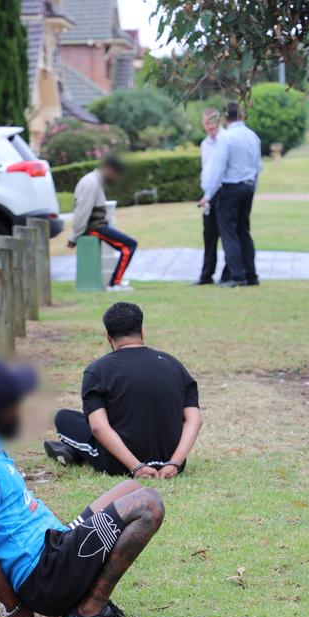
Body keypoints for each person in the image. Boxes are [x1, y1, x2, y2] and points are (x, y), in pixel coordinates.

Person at [0, 359, 164, 617]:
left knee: (131, 488)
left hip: (56, 547)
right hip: (45, 575)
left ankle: (84, 598)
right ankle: (88, 612)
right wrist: (14, 606)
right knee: (149, 504)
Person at [44, 301, 202, 478]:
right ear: (142, 331)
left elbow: (97, 427)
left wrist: (136, 467)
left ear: (108, 337)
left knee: (64, 418)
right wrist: (175, 463)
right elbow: (194, 420)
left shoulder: (98, 370)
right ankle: (74, 451)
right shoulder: (174, 365)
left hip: (119, 464)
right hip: (170, 461)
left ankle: (75, 452)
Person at [200, 102, 262, 288]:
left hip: (231, 188)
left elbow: (218, 168)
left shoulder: (226, 138)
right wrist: (253, 186)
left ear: (224, 118)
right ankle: (251, 274)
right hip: (248, 186)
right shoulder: (253, 136)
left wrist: (208, 194)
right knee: (244, 231)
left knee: (229, 233)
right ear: (241, 115)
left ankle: (236, 275)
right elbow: (258, 165)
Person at [68, 154, 137, 292]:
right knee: (129, 245)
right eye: (116, 174)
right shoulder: (91, 183)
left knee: (128, 244)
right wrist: (74, 237)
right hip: (94, 228)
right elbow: (82, 212)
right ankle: (115, 284)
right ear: (108, 169)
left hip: (97, 226)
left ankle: (115, 282)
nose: (116, 178)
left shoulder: (94, 181)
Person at [194, 107, 226, 285]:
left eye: (212, 123)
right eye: (206, 124)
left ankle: (228, 273)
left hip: (223, 192)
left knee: (227, 234)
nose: (209, 127)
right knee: (209, 235)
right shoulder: (205, 144)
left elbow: (221, 171)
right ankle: (207, 274)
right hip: (208, 194)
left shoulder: (226, 140)